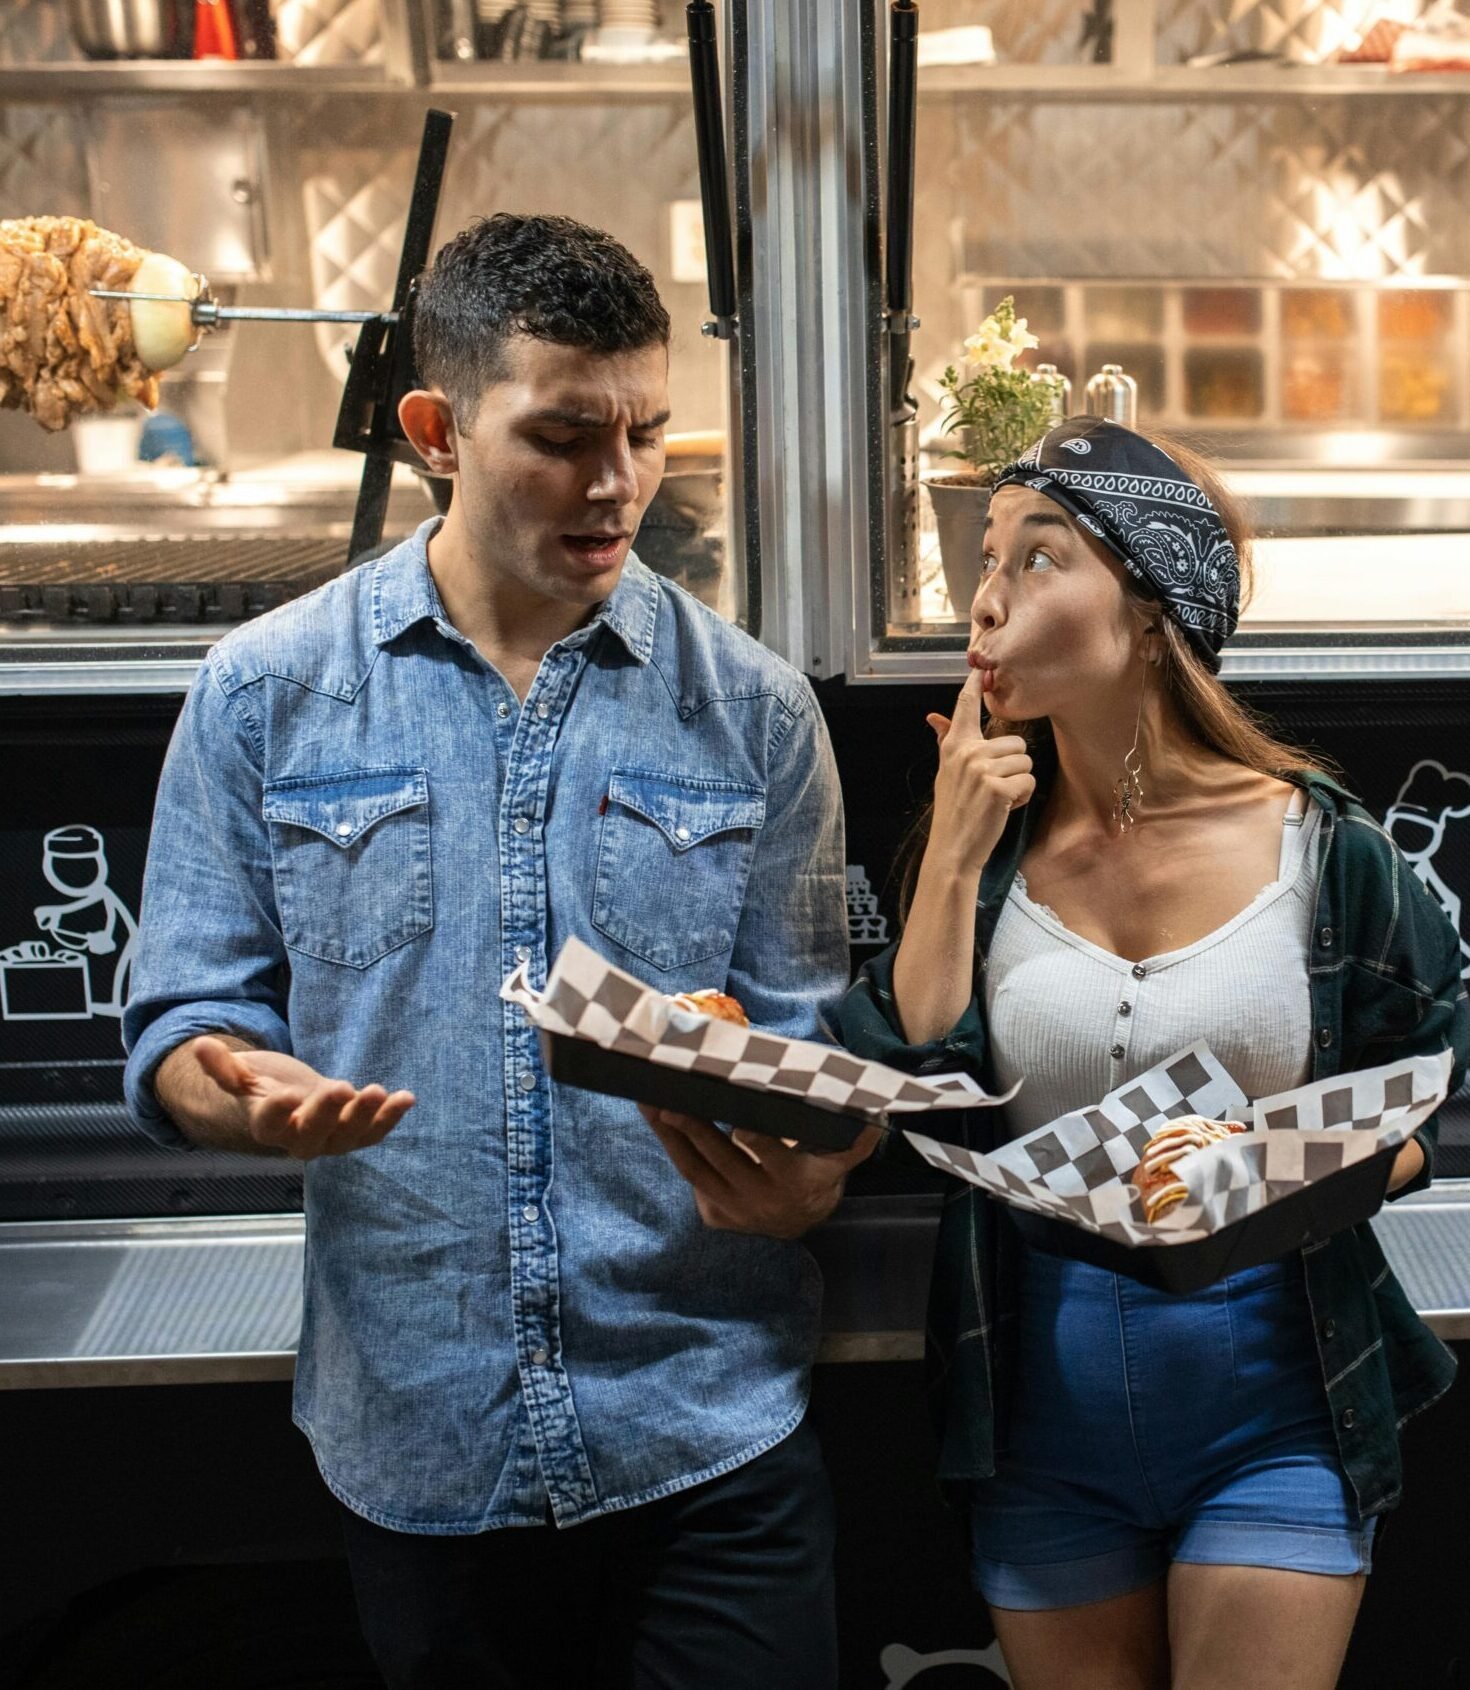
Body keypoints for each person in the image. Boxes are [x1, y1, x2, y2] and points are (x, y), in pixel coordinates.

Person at [122, 212, 873, 1690]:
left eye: (648, 433)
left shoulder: (757, 710)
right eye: (563, 434)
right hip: (421, 1437)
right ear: (436, 430)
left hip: (707, 1428)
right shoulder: (266, 693)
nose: (616, 485)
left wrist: (810, 1167)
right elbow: (181, 1023)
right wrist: (242, 1089)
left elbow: (814, 1049)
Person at [824, 417, 1469, 1690]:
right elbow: (924, 1085)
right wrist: (949, 856)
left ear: (1156, 604)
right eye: (987, 558)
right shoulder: (989, 850)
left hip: (1275, 1404)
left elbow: (1419, 1101)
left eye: (1040, 555)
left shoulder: (1321, 848)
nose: (988, 598)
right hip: (1034, 1415)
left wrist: (1266, 1162)